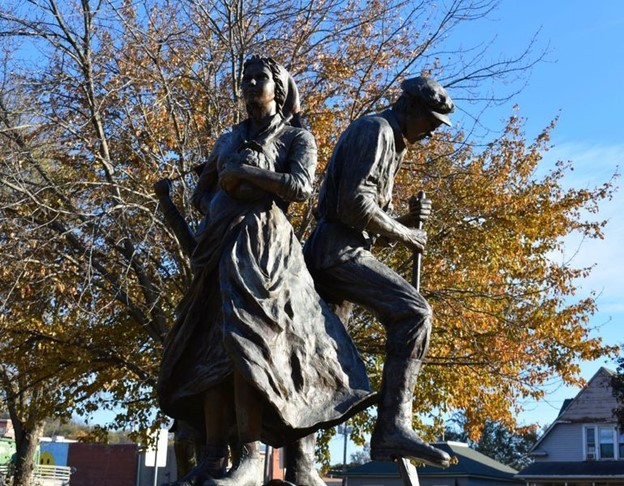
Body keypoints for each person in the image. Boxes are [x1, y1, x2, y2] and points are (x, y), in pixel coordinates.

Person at [157, 56, 373, 486]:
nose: (253, 83)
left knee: (247, 345)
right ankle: (215, 455)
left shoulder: (296, 136)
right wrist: (216, 197)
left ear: (278, 87)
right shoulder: (227, 139)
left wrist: (245, 174)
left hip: (264, 249)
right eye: (247, 78)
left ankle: (250, 456)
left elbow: (300, 187)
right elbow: (203, 195)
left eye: (261, 78)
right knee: (210, 351)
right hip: (219, 245)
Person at [304, 76, 454, 468]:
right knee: (414, 313)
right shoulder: (376, 131)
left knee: (326, 365)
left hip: (344, 250)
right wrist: (405, 232)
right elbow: (354, 205)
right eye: (433, 122)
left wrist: (401, 222)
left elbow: (364, 221)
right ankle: (393, 427)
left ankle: (302, 464)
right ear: (412, 107)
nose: (434, 132)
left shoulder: (393, 140)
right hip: (336, 255)